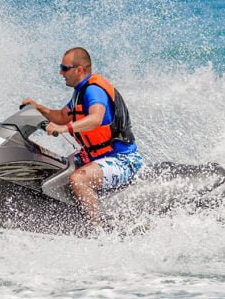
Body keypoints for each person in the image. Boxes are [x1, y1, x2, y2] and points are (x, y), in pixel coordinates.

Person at [22, 47, 142, 227]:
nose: (60, 72)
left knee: (78, 179)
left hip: (122, 159)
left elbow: (96, 118)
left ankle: (99, 230)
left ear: (79, 70)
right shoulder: (80, 91)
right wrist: (38, 107)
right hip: (95, 157)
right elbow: (61, 117)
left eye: (64, 68)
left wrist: (64, 128)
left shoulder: (93, 90)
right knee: (52, 165)